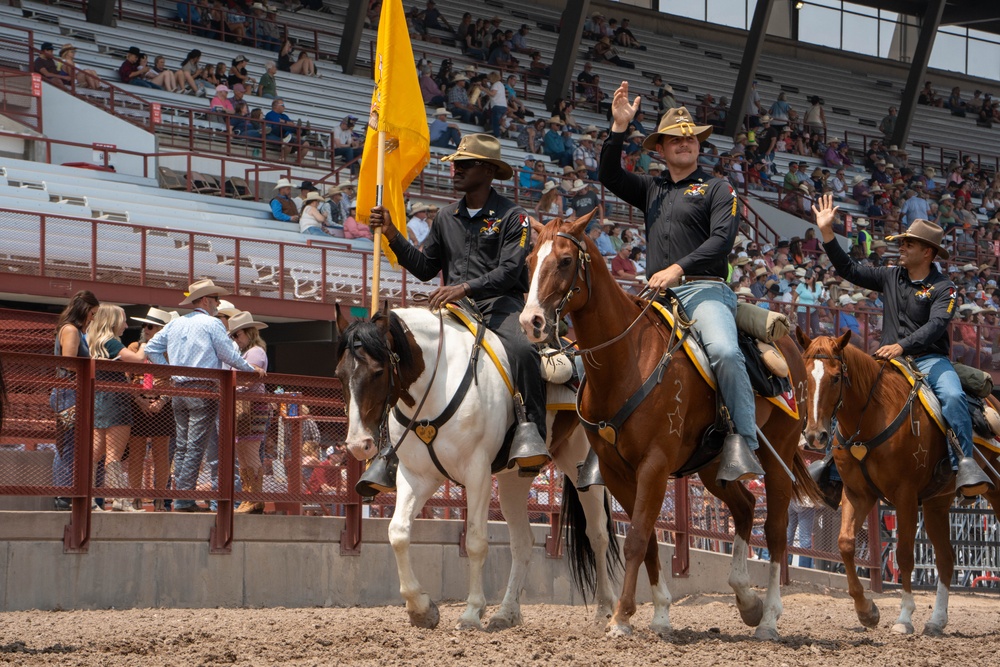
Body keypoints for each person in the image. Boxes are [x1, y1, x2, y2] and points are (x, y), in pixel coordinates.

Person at [598, 84, 764, 483]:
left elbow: (721, 240)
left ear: (698, 145)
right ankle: (602, 437)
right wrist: (619, 128)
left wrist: (678, 268)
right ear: (661, 149)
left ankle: (743, 441)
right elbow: (607, 174)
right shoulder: (652, 188)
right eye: (675, 138)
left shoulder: (718, 188)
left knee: (724, 351)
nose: (684, 142)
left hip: (704, 289)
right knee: (606, 348)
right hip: (657, 294)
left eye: (690, 136)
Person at [368, 133, 550, 492]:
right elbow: (424, 267)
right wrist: (391, 233)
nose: (455, 170)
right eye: (455, 164)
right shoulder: (444, 217)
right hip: (453, 311)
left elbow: (511, 271)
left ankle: (532, 434)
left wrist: (464, 287)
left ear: (487, 170)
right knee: (399, 354)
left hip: (500, 308)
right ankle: (386, 448)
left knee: (525, 350)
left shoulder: (515, 217)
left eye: (464, 164)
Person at [812, 193, 993, 497]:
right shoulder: (890, 276)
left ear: (927, 252)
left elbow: (936, 326)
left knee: (951, 395)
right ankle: (833, 462)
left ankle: (964, 463)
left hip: (929, 360)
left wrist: (902, 346)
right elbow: (849, 269)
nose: (902, 248)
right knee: (843, 385)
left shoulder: (944, 288)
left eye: (909, 244)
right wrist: (827, 233)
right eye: (903, 243)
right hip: (888, 361)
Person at [144, 280, 265, 512]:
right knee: (195, 446)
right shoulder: (212, 323)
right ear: (206, 300)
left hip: (179, 389)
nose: (218, 304)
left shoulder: (177, 323)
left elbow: (151, 349)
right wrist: (251, 370)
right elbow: (228, 355)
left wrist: (169, 372)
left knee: (182, 446)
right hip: (204, 389)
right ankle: (183, 500)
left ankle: (181, 495)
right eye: (216, 299)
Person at [89, 304, 146, 511]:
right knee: (114, 454)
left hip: (99, 399)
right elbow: (139, 359)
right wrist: (146, 343)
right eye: (123, 320)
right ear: (112, 321)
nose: (126, 324)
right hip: (116, 401)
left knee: (95, 453)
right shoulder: (111, 342)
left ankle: (86, 497)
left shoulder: (94, 341)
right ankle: (121, 500)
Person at [51, 290, 100, 510]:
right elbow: (69, 362)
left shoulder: (75, 330)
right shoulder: (70, 330)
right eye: (92, 313)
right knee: (69, 445)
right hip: (68, 392)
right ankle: (64, 494)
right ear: (84, 310)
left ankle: (66, 493)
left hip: (71, 392)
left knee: (72, 445)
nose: (93, 318)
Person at [126, 307, 176, 511]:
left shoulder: (170, 351)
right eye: (144, 325)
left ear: (161, 330)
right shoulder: (135, 347)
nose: (146, 329)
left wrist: (163, 400)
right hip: (139, 404)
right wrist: (139, 399)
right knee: (136, 453)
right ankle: (135, 497)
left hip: (162, 405)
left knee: (161, 454)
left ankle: (160, 498)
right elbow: (126, 377)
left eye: (150, 326)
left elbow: (175, 379)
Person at [229, 312, 270, 514]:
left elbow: (252, 374)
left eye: (237, 335)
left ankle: (253, 497)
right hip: (246, 405)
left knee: (249, 451)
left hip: (252, 406)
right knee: (243, 453)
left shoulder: (255, 351)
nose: (235, 339)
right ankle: (250, 497)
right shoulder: (248, 352)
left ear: (247, 332)